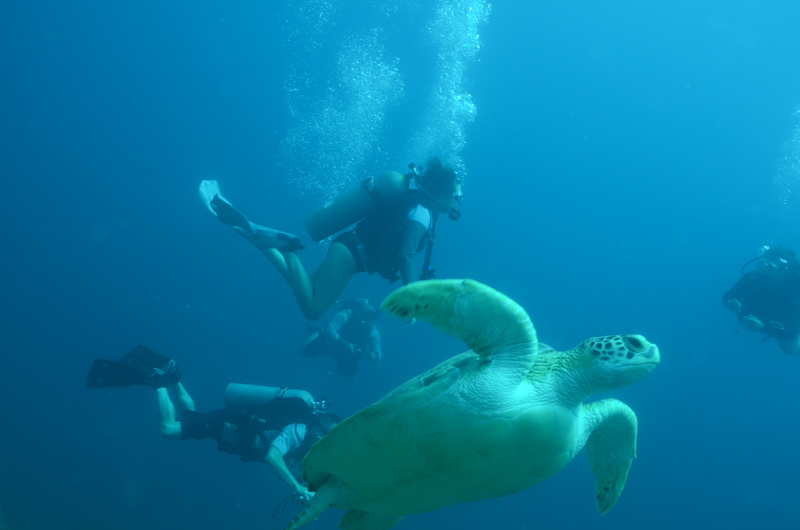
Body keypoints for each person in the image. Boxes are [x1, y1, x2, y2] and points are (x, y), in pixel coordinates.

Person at [199, 158, 464, 320]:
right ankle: (288, 248)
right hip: (351, 255)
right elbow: (407, 254)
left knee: (300, 284)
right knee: (312, 311)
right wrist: (412, 298)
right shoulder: (423, 213)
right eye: (456, 196)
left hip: (348, 248)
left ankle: (260, 240)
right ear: (442, 194)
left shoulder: (418, 207)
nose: (458, 201)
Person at [86, 345, 340, 501]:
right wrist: (295, 487)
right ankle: (157, 381)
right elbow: (272, 456)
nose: (324, 444)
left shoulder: (307, 444)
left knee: (189, 417)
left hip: (231, 428)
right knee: (169, 430)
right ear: (318, 428)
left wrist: (308, 489)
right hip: (228, 425)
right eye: (326, 438)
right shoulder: (299, 431)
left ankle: (172, 374)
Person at [723, 245, 800, 356]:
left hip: (787, 315)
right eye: (762, 264)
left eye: (770, 268)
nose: (764, 271)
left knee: (791, 348)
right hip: (769, 314)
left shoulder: (795, 288)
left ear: (783, 270)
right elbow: (728, 295)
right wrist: (730, 303)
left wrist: (764, 328)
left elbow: (791, 331)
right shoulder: (754, 277)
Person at [303, 298, 381, 381]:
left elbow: (378, 351)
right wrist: (346, 345)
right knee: (304, 352)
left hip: (346, 355)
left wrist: (374, 356)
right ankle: (318, 331)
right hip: (329, 344)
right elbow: (330, 330)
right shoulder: (346, 314)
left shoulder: (371, 329)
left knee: (351, 378)